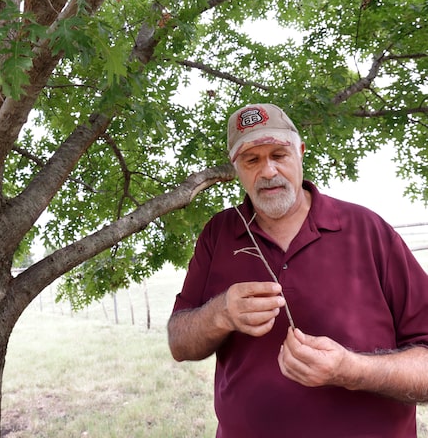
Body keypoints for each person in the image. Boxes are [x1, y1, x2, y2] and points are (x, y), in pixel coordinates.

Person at [168, 103, 428, 437]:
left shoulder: (368, 230)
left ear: (300, 153)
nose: (269, 171)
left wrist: (351, 369)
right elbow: (179, 344)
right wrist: (221, 314)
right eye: (252, 160)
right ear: (236, 168)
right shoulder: (218, 234)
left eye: (279, 154)